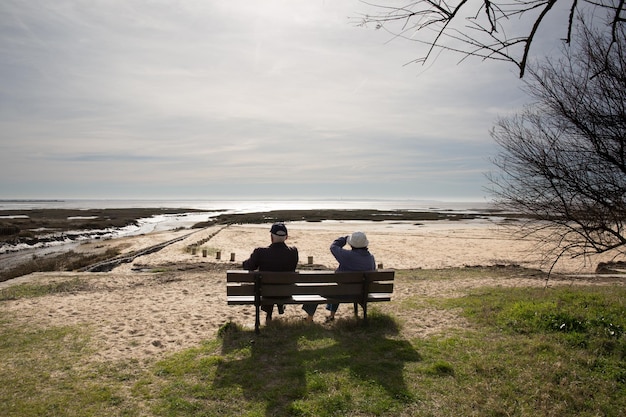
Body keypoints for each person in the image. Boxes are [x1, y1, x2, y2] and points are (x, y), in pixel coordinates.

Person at [302, 231, 375, 322]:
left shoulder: (347, 256)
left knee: (318, 289)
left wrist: (345, 238)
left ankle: (309, 318)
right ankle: (331, 315)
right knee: (338, 287)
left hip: (342, 292)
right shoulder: (370, 257)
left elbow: (333, 247)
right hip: (361, 293)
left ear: (351, 244)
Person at [242, 222, 298, 323]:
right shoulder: (293, 252)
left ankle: (268, 315)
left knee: (265, 284)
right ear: (286, 237)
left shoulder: (260, 252)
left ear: (271, 237)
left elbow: (249, 266)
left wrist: (245, 262)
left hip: (266, 292)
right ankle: (277, 308)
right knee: (277, 281)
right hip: (286, 292)